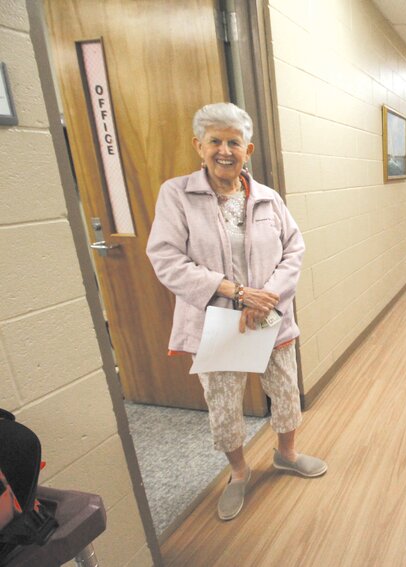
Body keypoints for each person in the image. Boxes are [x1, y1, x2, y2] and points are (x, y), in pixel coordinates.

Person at [146, 102, 326, 521]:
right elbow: (166, 258)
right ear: (199, 146)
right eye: (215, 141)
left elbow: (294, 250)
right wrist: (235, 293)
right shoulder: (178, 194)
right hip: (216, 319)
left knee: (283, 390)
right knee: (225, 404)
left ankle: (286, 454)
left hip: (268, 312)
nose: (224, 150)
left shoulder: (268, 198)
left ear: (249, 149)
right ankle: (239, 473)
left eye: (234, 142)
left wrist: (267, 297)